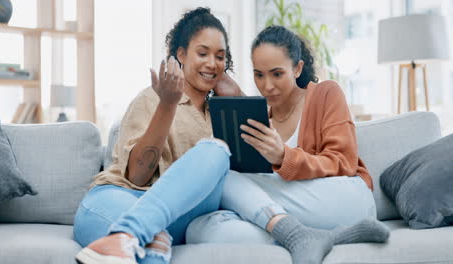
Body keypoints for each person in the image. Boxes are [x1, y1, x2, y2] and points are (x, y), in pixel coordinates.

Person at [186, 25, 390, 264]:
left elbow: (343, 163)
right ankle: (310, 237)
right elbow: (262, 187)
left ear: (297, 68)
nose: (267, 86)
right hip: (297, 211)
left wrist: (284, 157)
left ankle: (295, 233)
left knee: (224, 175)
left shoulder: (325, 93)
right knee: (200, 229)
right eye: (259, 75)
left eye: (277, 74)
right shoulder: (263, 120)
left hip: (346, 199)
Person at [73, 7, 242, 264]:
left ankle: (129, 234)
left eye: (220, 56)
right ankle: (135, 234)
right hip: (121, 199)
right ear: (181, 54)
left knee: (215, 151)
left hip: (181, 216)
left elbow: (254, 172)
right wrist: (168, 104)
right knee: (154, 245)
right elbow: (138, 176)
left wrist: (238, 100)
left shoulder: (223, 114)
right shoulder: (152, 98)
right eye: (202, 53)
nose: (212, 63)